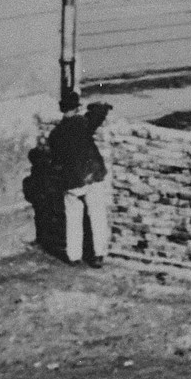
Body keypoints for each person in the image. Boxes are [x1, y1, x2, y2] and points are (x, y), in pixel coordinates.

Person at [48, 95, 113, 267]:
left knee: (73, 218)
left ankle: (74, 256)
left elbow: (55, 161)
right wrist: (100, 106)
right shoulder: (82, 124)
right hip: (91, 176)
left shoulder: (55, 134)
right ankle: (98, 255)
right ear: (77, 108)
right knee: (97, 215)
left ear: (62, 109)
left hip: (70, 182)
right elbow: (97, 115)